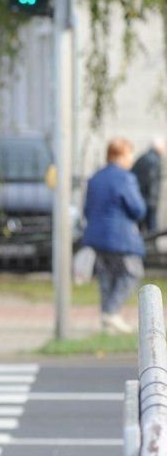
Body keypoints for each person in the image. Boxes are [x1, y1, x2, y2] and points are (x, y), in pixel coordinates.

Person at [83, 136, 146, 333]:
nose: (131, 160)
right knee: (132, 272)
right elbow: (137, 208)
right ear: (121, 155)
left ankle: (107, 322)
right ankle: (111, 312)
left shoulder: (95, 177)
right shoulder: (125, 178)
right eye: (130, 155)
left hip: (96, 236)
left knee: (106, 275)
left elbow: (87, 209)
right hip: (120, 236)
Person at [131, 137, 165, 233]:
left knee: (141, 229)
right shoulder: (154, 160)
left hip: (140, 198)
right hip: (149, 201)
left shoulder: (143, 157)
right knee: (152, 230)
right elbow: (153, 182)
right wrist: (153, 202)